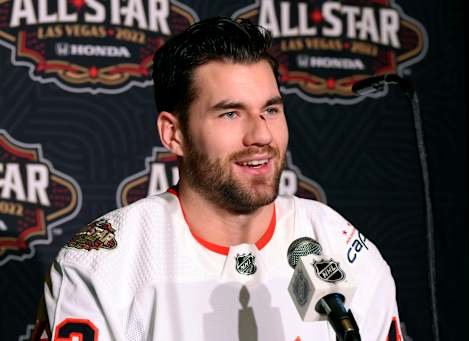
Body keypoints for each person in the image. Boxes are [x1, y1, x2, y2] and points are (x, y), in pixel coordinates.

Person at [36, 17, 403, 341]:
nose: (261, 135)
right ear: (173, 133)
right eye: (230, 113)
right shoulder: (104, 264)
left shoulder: (340, 247)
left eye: (271, 110)